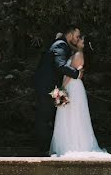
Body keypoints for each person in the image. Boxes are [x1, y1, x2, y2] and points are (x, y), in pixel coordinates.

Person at [48, 33, 111, 158]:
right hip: (75, 86)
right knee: (72, 115)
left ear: (82, 44)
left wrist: (61, 89)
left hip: (72, 87)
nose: (77, 40)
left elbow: (69, 74)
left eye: (80, 39)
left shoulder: (78, 55)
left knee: (71, 116)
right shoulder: (77, 53)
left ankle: (72, 144)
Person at [33, 25, 82, 155]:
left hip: (56, 89)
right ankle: (43, 149)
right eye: (77, 36)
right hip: (48, 89)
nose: (78, 39)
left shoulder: (62, 45)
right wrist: (77, 74)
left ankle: (59, 146)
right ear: (70, 35)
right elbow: (60, 66)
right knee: (45, 117)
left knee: (61, 115)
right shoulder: (61, 45)